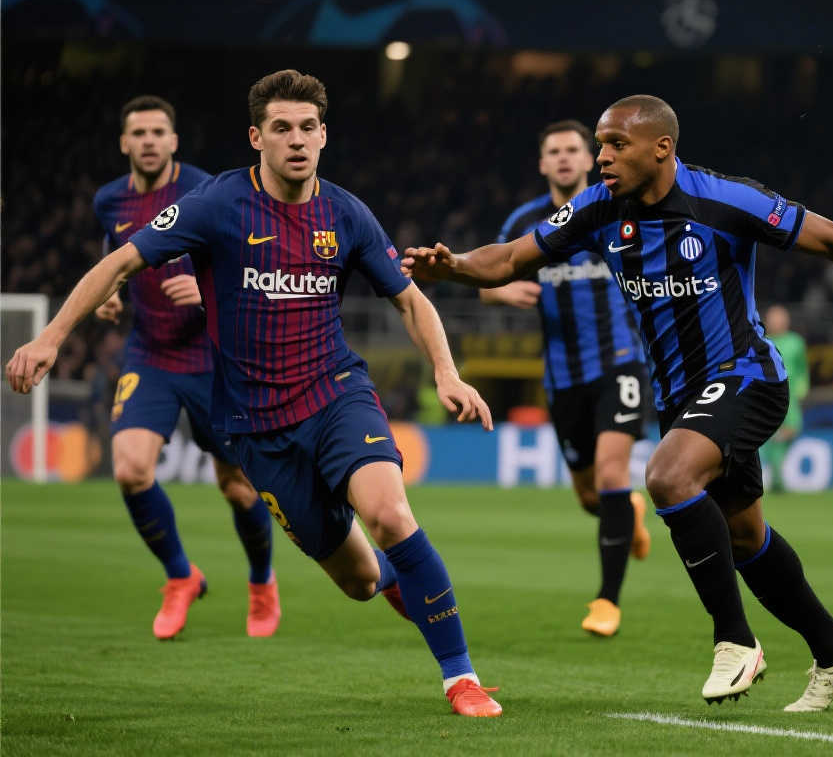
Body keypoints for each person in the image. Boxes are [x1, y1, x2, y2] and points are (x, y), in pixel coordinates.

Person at [401, 94, 833, 711]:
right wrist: (453, 266)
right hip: (680, 397)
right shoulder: (598, 207)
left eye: (616, 145)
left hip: (747, 375)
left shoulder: (725, 200)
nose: (602, 157)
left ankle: (735, 641)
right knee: (744, 537)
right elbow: (511, 258)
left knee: (667, 476)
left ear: (662, 148)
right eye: (600, 145)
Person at [7, 70, 502, 717]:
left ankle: (461, 678)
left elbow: (409, 300)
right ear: (256, 137)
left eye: (307, 127)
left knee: (389, 515)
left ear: (323, 135)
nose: (296, 139)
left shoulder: (346, 213)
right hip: (257, 427)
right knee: (359, 581)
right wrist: (51, 336)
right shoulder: (217, 204)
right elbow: (121, 261)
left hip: (336, 394)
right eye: (281, 128)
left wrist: (446, 372)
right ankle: (391, 582)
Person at [92, 95, 279, 640]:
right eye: (139, 133)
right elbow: (115, 249)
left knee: (238, 488)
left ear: (174, 141)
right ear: (124, 143)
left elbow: (251, 259)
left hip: (211, 356)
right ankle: (181, 576)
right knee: (130, 469)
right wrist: (111, 291)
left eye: (158, 132)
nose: (149, 141)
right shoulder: (109, 200)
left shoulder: (206, 190)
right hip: (149, 353)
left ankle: (262, 583)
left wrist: (204, 288)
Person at [481, 119, 651, 637]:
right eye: (553, 150)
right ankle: (629, 512)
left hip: (620, 363)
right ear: (542, 163)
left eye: (572, 149)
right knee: (590, 497)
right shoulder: (526, 220)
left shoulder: (618, 209)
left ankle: (607, 601)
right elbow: (490, 275)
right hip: (562, 377)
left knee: (612, 474)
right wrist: (500, 292)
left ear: (589, 158)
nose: (563, 158)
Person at [759, 305, 808, 491]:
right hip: (765, 397)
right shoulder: (761, 341)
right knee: (766, 437)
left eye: (780, 318)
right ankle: (775, 477)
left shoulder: (796, 342)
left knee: (790, 430)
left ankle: (777, 475)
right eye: (773, 318)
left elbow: (802, 368)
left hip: (790, 397)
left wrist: (802, 388)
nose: (777, 322)